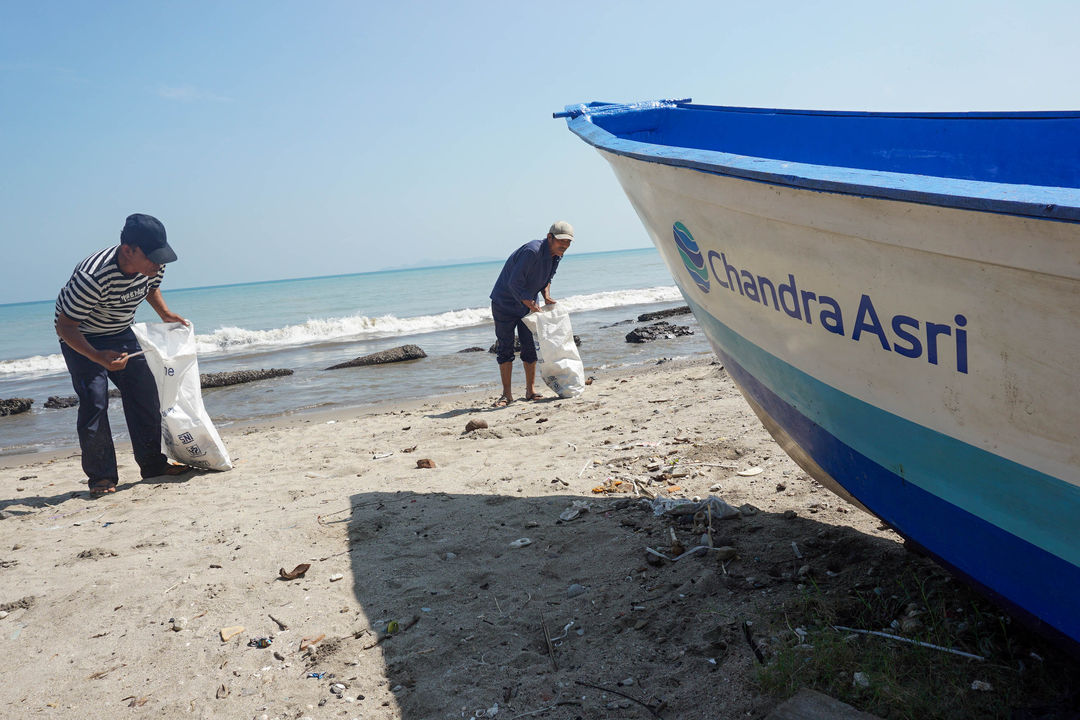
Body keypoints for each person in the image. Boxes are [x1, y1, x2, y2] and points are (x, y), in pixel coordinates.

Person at [54, 213, 191, 495]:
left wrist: (165, 313)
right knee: (95, 400)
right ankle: (101, 478)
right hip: (80, 336)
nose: (158, 263)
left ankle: (153, 464)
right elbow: (65, 326)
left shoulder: (154, 265)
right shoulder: (92, 276)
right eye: (152, 257)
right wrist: (97, 356)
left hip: (120, 330)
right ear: (128, 250)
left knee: (144, 392)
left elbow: (150, 287)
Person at [489, 220, 574, 407]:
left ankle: (530, 390)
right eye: (562, 241)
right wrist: (530, 302)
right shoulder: (532, 251)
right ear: (549, 237)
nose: (565, 246)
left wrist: (546, 295)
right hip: (504, 303)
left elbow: (548, 278)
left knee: (530, 347)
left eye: (568, 242)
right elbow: (514, 283)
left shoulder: (557, 254)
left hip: (527, 304)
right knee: (505, 348)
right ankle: (506, 395)